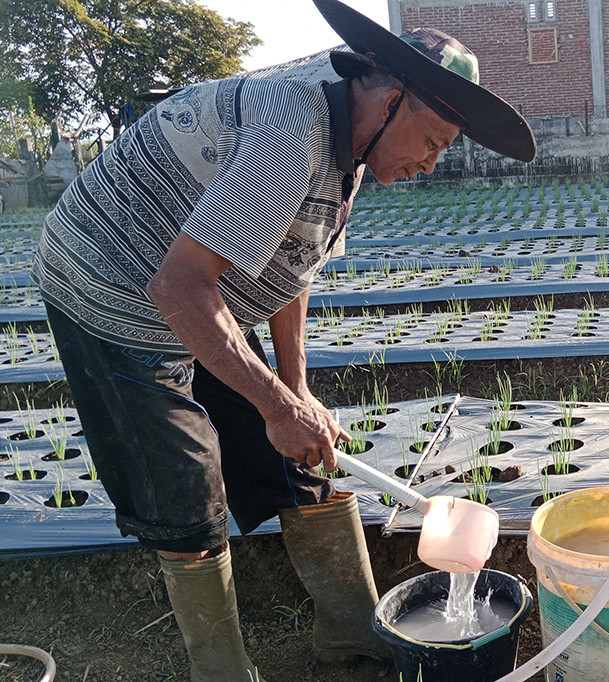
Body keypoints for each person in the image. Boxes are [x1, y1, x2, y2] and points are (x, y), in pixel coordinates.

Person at [31, 1, 535, 679]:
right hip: (111, 286)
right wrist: (275, 405)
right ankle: (225, 672)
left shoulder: (345, 146)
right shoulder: (286, 132)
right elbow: (178, 289)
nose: (430, 162)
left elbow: (289, 267)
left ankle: (359, 640)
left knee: (310, 455)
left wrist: (293, 389)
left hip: (194, 288)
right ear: (391, 100)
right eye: (434, 141)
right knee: (186, 490)